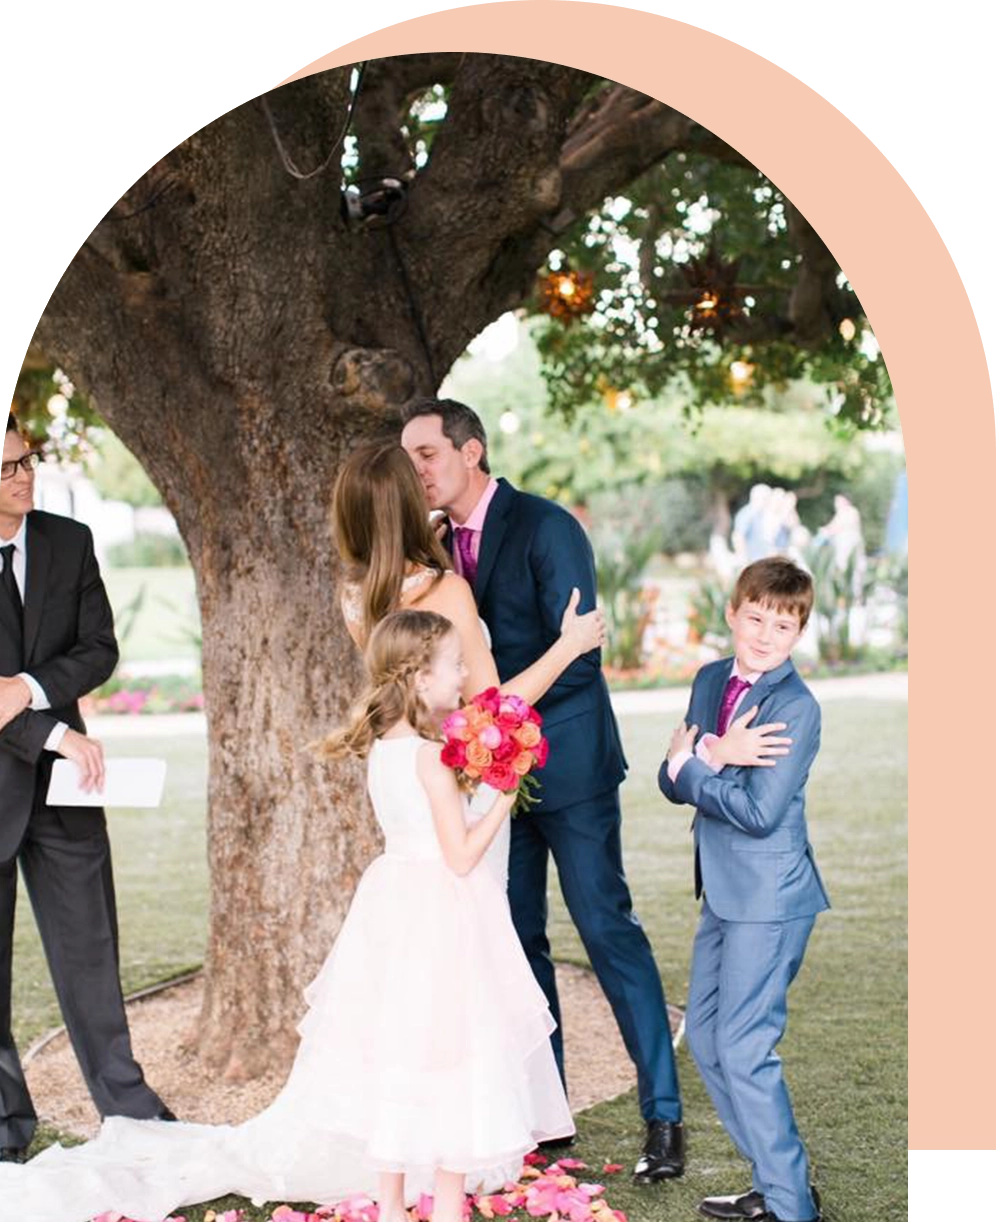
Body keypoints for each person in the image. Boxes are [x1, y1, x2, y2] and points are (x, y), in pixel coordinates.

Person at [0, 609, 577, 1222]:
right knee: (456, 1049)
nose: (465, 675)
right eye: (455, 664)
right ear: (418, 679)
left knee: (396, 1050)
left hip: (394, 906)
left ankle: (389, 1205)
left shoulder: (388, 747)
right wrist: (502, 796)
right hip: (441, 911)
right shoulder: (433, 759)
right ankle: (446, 1204)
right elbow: (460, 857)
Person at [400, 398, 684, 1183]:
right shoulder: (430, 549)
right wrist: (481, 750)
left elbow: (581, 657)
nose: (417, 469)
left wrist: (495, 725)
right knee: (517, 945)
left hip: (570, 767)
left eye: (427, 453)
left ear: (472, 450)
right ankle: (546, 1116)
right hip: (485, 787)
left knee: (606, 929)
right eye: (410, 457)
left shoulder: (547, 525)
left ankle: (663, 1116)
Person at [0, 416, 174, 1165]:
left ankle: (130, 1111)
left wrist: (32, 688)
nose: (23, 474)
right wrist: (53, 732)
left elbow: (99, 647)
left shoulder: (69, 541)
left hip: (68, 788)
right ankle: (6, 1123)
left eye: (27, 461)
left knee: (91, 951)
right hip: (47, 758)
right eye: (7, 468)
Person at [331, 438, 606, 890]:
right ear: (408, 503)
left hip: (402, 777)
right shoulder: (446, 590)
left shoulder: (354, 597)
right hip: (456, 778)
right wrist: (570, 645)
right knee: (472, 923)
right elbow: (488, 710)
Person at [658, 557, 830, 1222]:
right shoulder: (708, 680)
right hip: (724, 893)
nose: (763, 635)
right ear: (732, 613)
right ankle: (773, 1182)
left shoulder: (795, 707)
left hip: (771, 898)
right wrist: (709, 760)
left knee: (743, 1045)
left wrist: (702, 761)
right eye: (754, 618)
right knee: (704, 1037)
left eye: (781, 626)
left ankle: (792, 1208)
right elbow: (668, 780)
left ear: (798, 634)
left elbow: (758, 813)